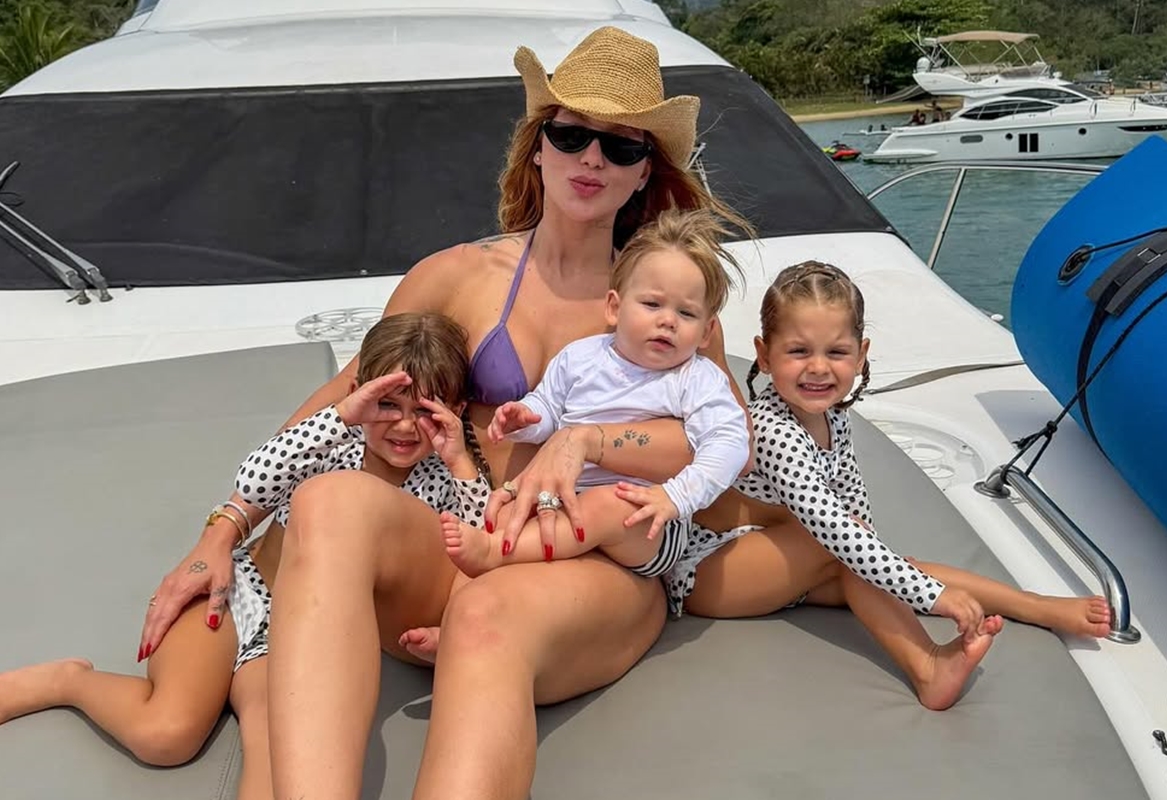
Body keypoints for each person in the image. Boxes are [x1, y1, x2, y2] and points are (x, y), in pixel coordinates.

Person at [133, 26, 756, 800]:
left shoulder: (670, 304)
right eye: (571, 134)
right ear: (538, 148)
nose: (591, 158)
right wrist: (221, 531)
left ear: (643, 174)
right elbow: (345, 401)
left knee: (488, 615)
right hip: (464, 540)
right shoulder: (455, 276)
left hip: (593, 568)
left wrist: (588, 440)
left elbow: (725, 454)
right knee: (329, 499)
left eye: (621, 146)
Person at [0, 312, 489, 800]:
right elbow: (254, 477)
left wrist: (460, 461)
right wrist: (340, 416)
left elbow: (478, 544)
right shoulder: (331, 442)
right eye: (387, 404)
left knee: (282, 775)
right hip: (239, 592)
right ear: (360, 393)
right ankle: (68, 681)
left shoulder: (443, 480)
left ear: (456, 410)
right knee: (165, 733)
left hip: (301, 636)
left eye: (424, 411)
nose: (404, 425)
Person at [672, 262, 1113, 707]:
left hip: (782, 563)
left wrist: (891, 570)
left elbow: (853, 506)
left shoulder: (833, 417)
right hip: (709, 574)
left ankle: (1031, 605)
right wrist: (933, 596)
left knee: (873, 561)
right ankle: (928, 667)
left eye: (837, 352)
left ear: (861, 355)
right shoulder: (774, 432)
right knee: (849, 549)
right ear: (765, 355)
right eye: (799, 351)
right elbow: (834, 528)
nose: (818, 368)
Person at [443, 208, 750, 579]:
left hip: (649, 520)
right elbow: (549, 406)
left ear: (706, 332)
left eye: (686, 313)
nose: (667, 320)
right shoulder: (581, 357)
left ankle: (494, 553)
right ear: (614, 308)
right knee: (508, 510)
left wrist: (677, 496)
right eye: (652, 304)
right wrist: (525, 419)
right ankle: (474, 582)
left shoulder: (697, 378)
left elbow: (730, 444)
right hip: (565, 497)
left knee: (606, 505)